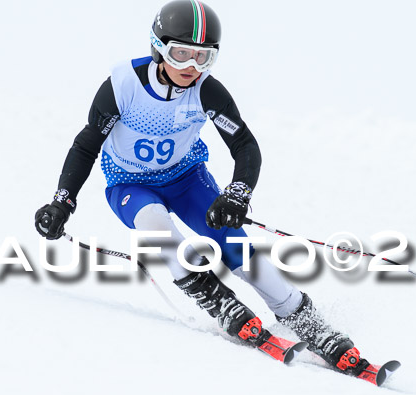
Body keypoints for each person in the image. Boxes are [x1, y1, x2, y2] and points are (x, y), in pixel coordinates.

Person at [34, 0, 369, 375]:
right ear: (158, 47)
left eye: (203, 58)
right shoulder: (122, 85)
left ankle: (305, 320)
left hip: (186, 179)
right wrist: (62, 203)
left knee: (235, 243)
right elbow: (86, 146)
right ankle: (214, 297)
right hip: (130, 184)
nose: (191, 68)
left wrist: (238, 192)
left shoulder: (207, 91)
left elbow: (244, 145)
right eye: (180, 55)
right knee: (155, 226)